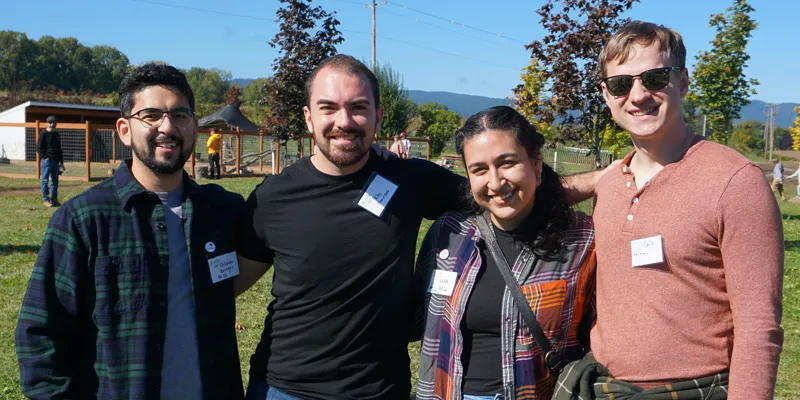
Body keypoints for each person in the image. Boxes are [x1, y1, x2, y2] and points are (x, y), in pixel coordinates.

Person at [234, 54, 607, 400]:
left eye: (358, 108)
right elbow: (231, 286)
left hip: (380, 388)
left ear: (379, 117)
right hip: (285, 388)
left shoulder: (410, 180)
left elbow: (503, 194)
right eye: (328, 108)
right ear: (308, 117)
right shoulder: (273, 197)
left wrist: (609, 179)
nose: (344, 121)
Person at [555, 21, 784, 400]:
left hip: (696, 389)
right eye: (620, 83)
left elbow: (759, 326)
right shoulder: (611, 184)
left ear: (684, 82)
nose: (638, 95)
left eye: (655, 78)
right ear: (606, 95)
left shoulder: (736, 182)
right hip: (606, 386)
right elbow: (520, 199)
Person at [15, 63, 245, 399]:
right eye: (151, 115)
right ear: (124, 129)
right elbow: (40, 336)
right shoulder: (83, 219)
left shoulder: (223, 211)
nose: (168, 127)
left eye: (180, 115)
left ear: (194, 126)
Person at [413, 106, 597, 400]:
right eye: (479, 169)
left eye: (507, 163)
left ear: (536, 166)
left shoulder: (582, 240)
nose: (496, 182)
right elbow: (416, 320)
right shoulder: (448, 234)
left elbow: (604, 339)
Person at [36, 115, 64, 207]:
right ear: (47, 123)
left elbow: (59, 149)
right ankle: (46, 200)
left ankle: (54, 199)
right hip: (47, 161)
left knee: (55, 182)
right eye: (51, 122)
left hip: (56, 161)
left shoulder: (56, 134)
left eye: (54, 122)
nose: (53, 124)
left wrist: (61, 162)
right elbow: (38, 148)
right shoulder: (43, 133)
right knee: (45, 180)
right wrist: (45, 157)